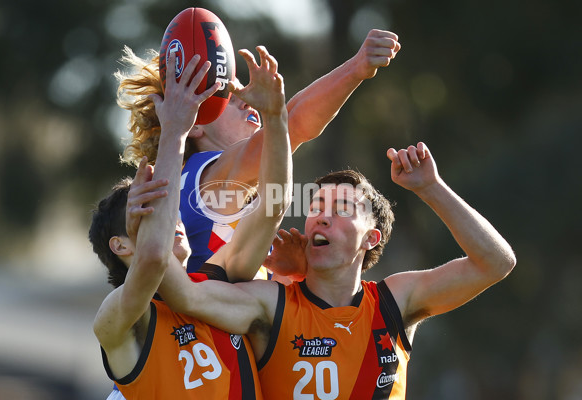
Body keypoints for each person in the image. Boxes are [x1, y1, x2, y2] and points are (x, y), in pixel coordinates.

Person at [155, 142, 517, 399]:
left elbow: (496, 263)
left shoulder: (394, 302)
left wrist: (431, 188)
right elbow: (184, 295)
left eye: (342, 207)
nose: (322, 216)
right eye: (316, 206)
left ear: (370, 238)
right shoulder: (270, 303)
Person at [90, 44, 292, 399]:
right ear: (122, 243)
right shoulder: (119, 318)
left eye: (168, 209)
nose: (173, 219)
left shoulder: (218, 287)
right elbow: (152, 258)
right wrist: (176, 129)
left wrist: (276, 118)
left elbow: (273, 208)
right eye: (149, 211)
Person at [116, 29, 401, 275]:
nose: (244, 102)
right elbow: (296, 122)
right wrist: (357, 67)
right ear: (195, 124)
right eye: (227, 98)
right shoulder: (211, 172)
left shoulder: (196, 183)